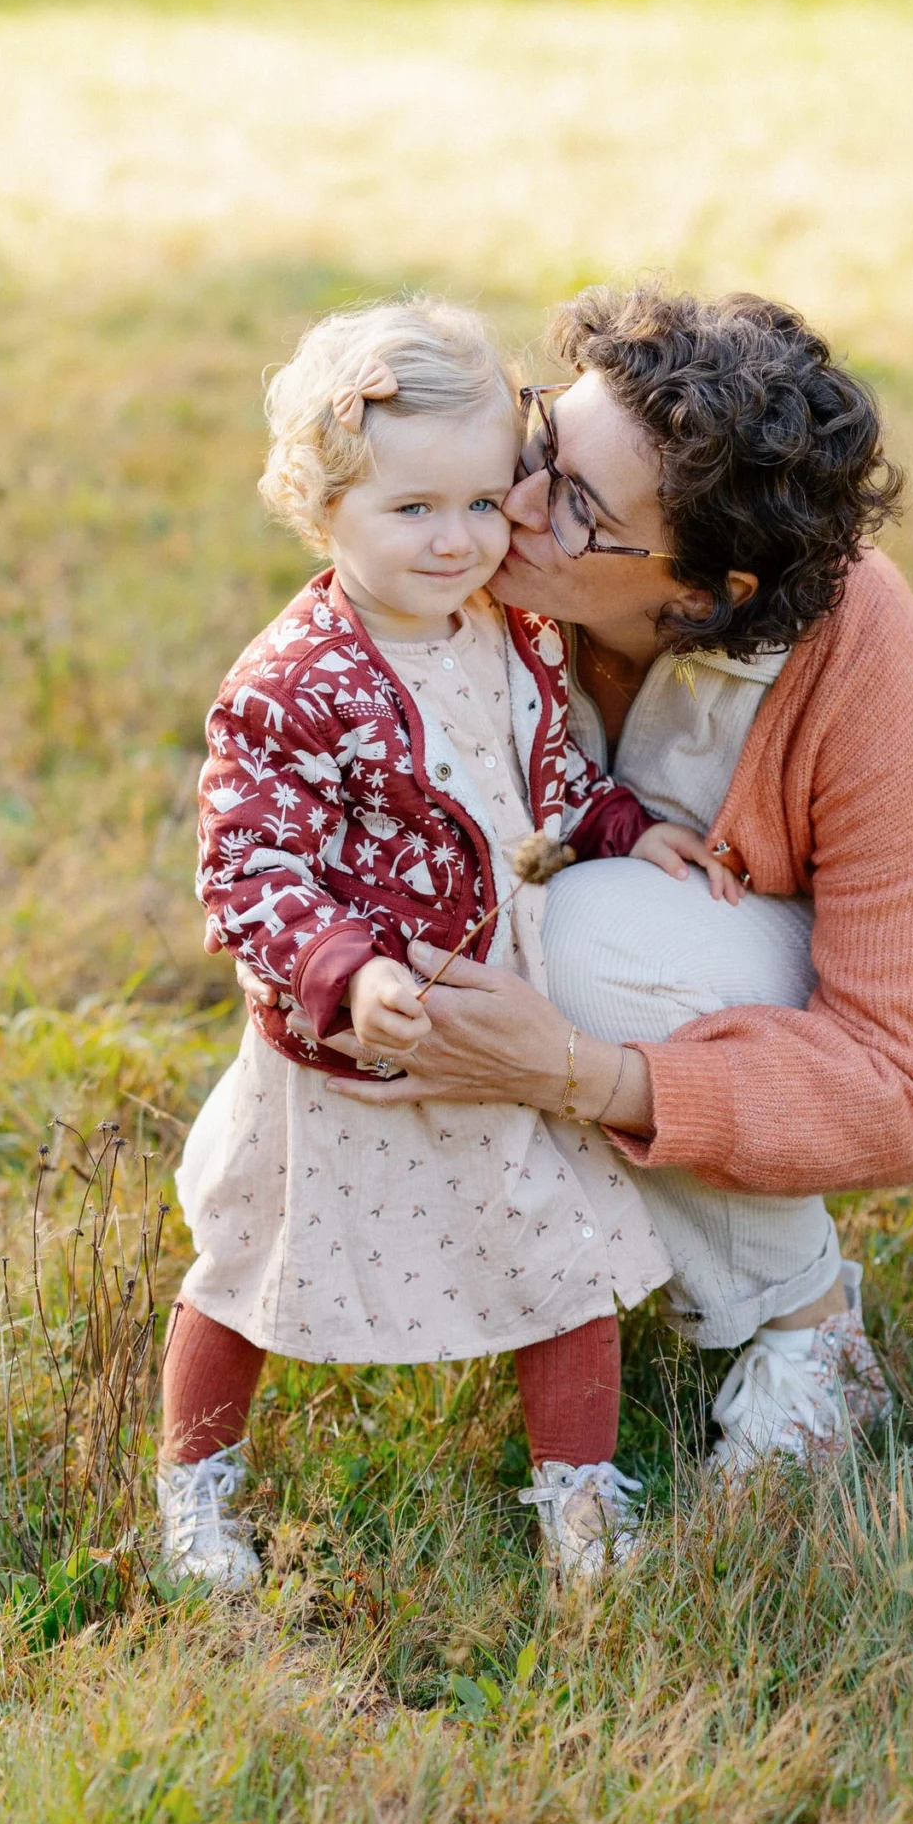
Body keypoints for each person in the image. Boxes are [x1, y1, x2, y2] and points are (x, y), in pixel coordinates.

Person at [325, 284, 913, 1477]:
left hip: (889, 987)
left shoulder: (864, 662)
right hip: (636, 926)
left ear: (702, 598)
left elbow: (903, 1086)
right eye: (544, 445)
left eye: (579, 508)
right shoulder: (482, 554)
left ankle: (809, 1330)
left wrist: (586, 1076)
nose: (517, 506)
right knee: (510, 930)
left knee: (580, 942)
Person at [162, 298, 741, 1589]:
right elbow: (247, 867)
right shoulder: (292, 684)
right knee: (250, 1268)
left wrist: (611, 824)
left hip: (492, 1017)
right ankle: (195, 1495)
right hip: (352, 1051)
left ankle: (578, 1502)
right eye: (410, 509)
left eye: (483, 505)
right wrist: (344, 972)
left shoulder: (505, 631)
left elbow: (529, 769)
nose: (456, 539)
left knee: (561, 1265)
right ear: (323, 510)